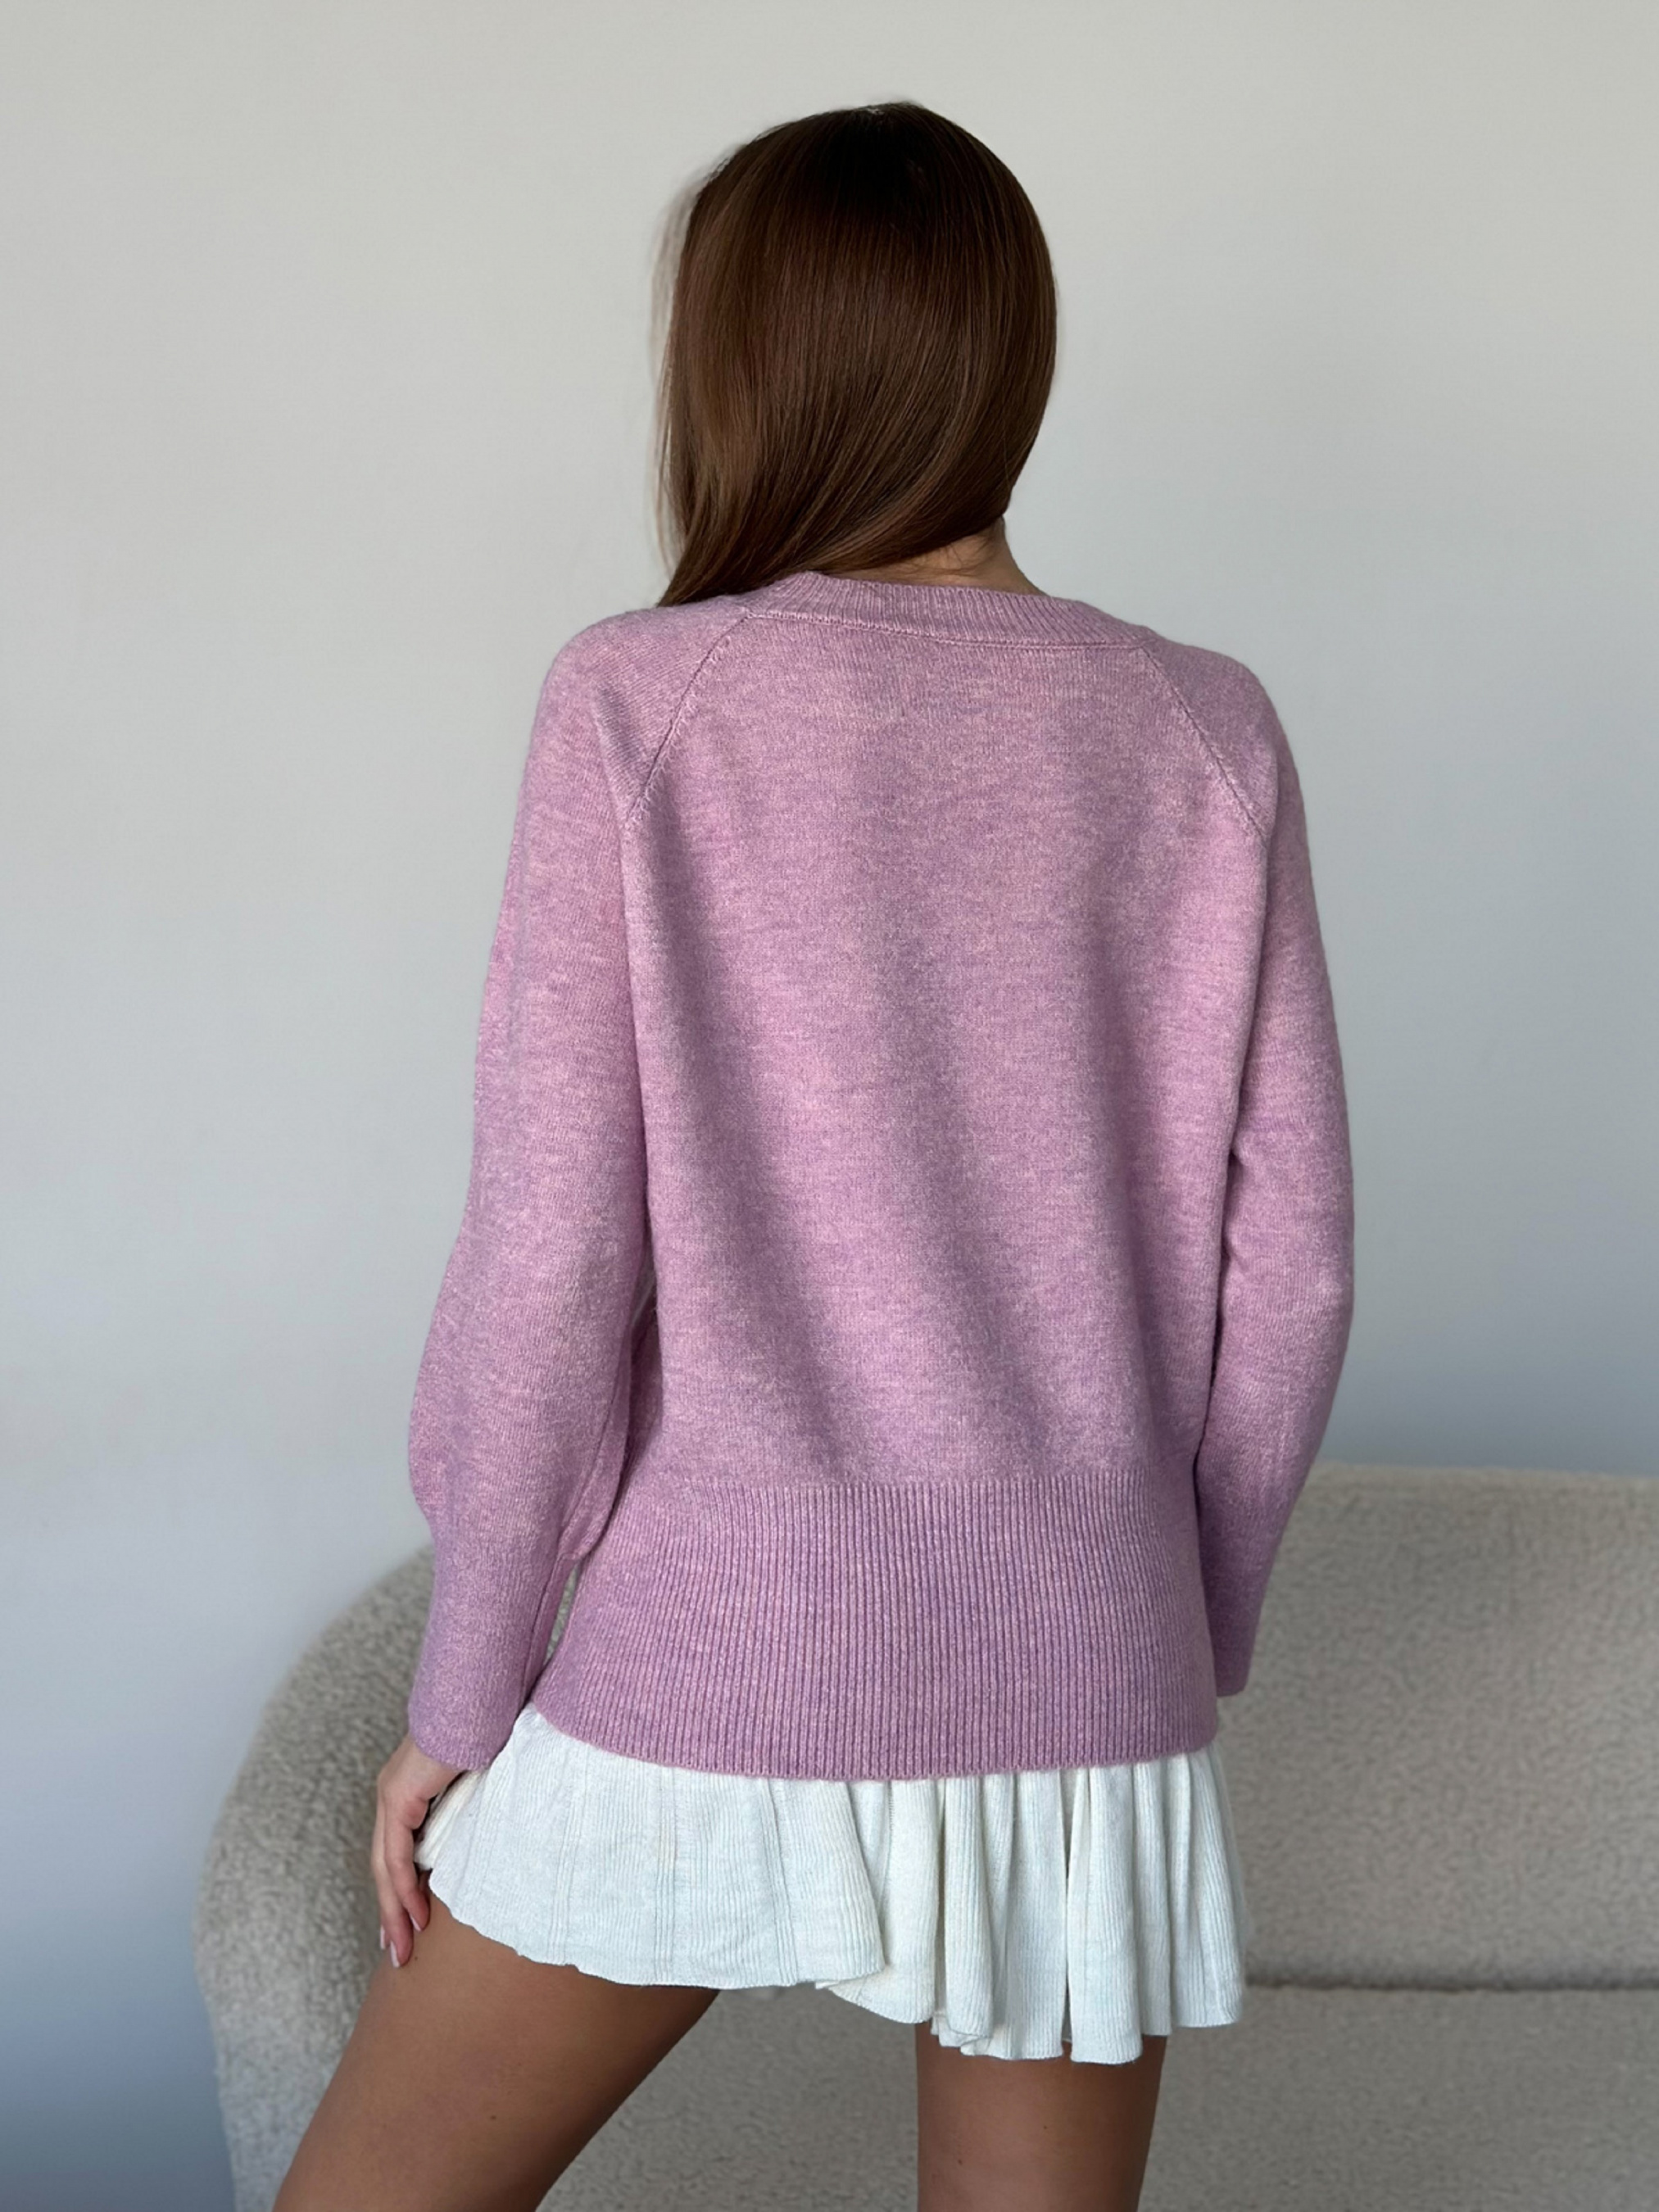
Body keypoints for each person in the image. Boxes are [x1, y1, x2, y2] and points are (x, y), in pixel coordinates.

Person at [276, 98, 1354, 2212]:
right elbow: (1293, 1267)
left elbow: (553, 1257)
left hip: (711, 1646)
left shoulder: (640, 705)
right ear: (1007, 359)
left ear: (738, 369)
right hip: (1078, 1662)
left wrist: (465, 1695)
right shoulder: (1205, 729)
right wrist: (1171, 1628)